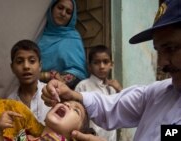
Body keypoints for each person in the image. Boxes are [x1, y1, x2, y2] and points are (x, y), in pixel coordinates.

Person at [41, 0, 181, 141]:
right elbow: (111, 106)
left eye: (171, 48)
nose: (161, 62)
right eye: (159, 51)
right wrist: (74, 96)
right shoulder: (160, 93)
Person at [0, 100, 105, 141]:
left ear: (76, 134)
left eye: (76, 111)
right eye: (65, 103)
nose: (67, 105)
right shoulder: (24, 136)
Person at [75, 45, 122, 141]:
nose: (102, 66)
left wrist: (120, 91)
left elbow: (122, 112)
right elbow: (76, 116)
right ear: (89, 66)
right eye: (96, 62)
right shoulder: (83, 86)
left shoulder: (113, 88)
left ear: (111, 64)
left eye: (105, 62)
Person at [37, 0, 88, 89]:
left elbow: (79, 72)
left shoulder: (73, 38)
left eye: (68, 12)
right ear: (52, 8)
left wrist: (52, 78)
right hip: (32, 90)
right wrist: (47, 75)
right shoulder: (38, 33)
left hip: (61, 94)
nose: (63, 13)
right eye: (60, 8)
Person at [7, 39, 51, 124]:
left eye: (32, 61)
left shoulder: (51, 94)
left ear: (40, 66)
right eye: (19, 62)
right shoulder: (10, 102)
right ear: (12, 68)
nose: (26, 66)